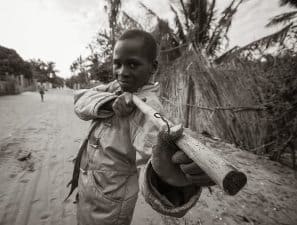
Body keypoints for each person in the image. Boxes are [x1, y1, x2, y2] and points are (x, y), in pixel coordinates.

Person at [67, 29, 214, 225]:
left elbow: (152, 159)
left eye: (133, 64)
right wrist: (111, 103)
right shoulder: (115, 88)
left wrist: (180, 177)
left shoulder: (148, 108)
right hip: (88, 186)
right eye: (117, 64)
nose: (122, 72)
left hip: (110, 202)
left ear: (153, 67)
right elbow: (80, 100)